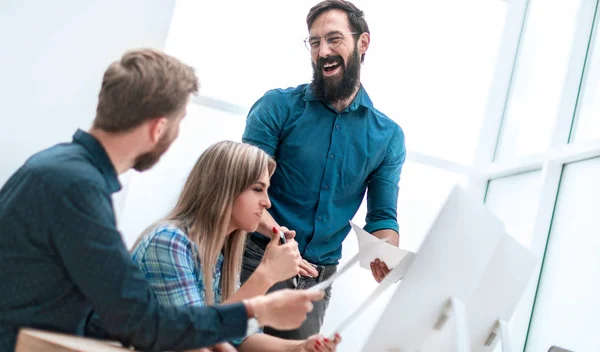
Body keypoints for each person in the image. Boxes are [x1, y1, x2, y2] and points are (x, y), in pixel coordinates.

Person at [0, 48, 324, 351]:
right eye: (180, 122)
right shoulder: (77, 187)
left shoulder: (61, 170)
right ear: (159, 128)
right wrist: (257, 307)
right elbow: (142, 322)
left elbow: (122, 316)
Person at [240, 0, 407, 340]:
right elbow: (242, 191)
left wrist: (387, 252)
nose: (323, 51)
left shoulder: (387, 137)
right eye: (314, 42)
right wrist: (283, 241)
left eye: (334, 39)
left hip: (316, 278)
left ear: (362, 43)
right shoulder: (277, 108)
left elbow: (383, 218)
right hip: (254, 258)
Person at [131, 141, 341, 352]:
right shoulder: (168, 243)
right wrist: (267, 274)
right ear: (224, 189)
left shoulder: (219, 259)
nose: (267, 202)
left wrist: (299, 347)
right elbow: (195, 337)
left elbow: (241, 337)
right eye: (258, 189)